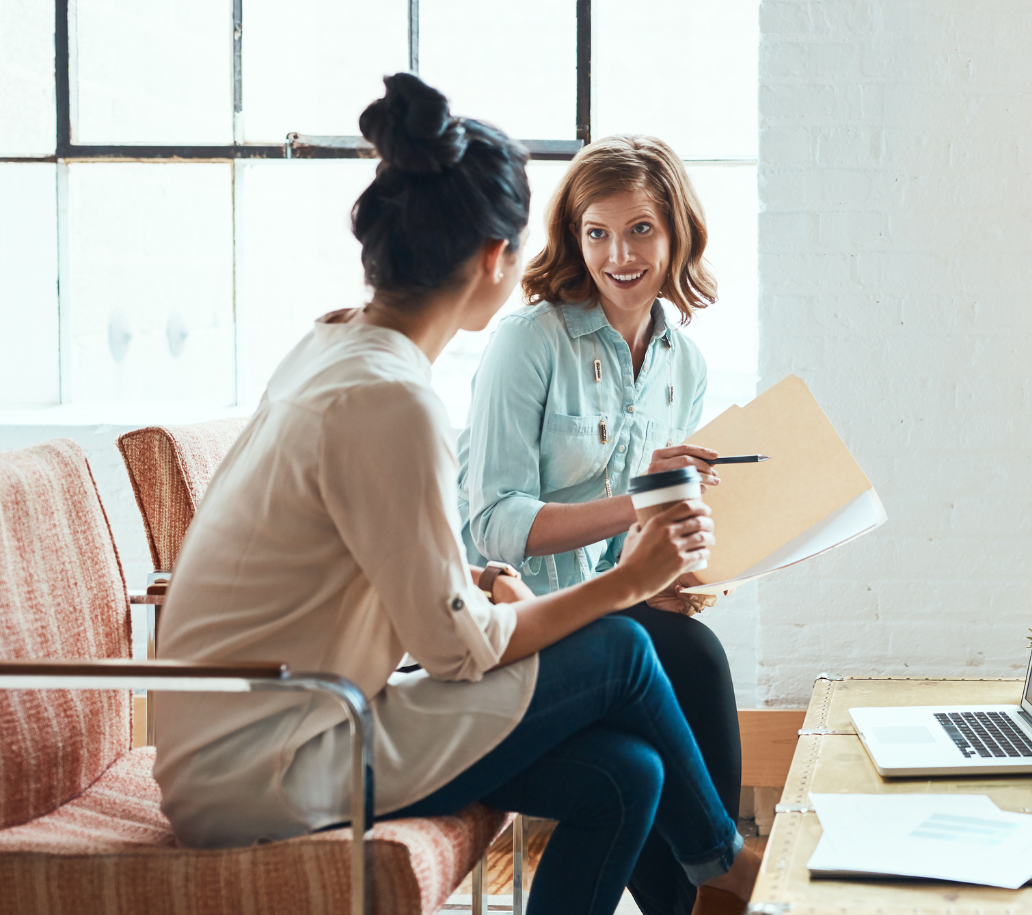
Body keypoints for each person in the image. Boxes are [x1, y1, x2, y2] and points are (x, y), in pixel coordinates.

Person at [152, 73, 759, 915]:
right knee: (625, 647)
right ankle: (725, 863)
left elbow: (374, 567)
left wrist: (478, 585)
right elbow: (455, 653)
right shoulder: (392, 397)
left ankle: (713, 862)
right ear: (492, 260)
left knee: (628, 774)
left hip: (268, 734)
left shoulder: (337, 347)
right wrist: (626, 581)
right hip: (280, 760)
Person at [458, 135, 740, 915]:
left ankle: (707, 889)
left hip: (612, 615)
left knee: (675, 662)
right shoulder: (528, 341)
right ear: (574, 238)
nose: (619, 254)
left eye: (641, 230)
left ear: (677, 232)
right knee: (693, 662)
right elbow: (492, 525)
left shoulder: (684, 363)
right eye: (597, 232)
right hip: (518, 622)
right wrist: (645, 503)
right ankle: (721, 880)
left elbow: (628, 549)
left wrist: (674, 568)